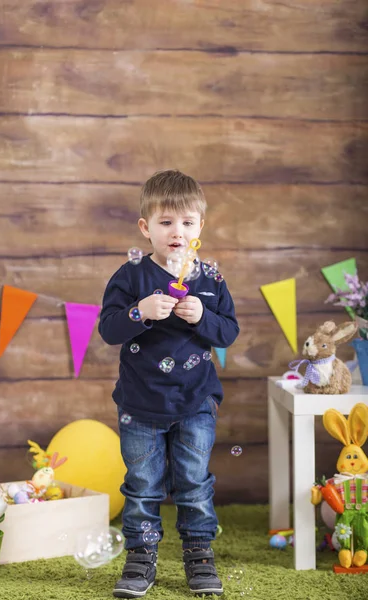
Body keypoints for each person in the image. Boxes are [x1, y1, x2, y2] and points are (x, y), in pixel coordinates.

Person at [99, 169, 239, 598]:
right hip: (140, 405)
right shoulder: (132, 276)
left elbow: (228, 332)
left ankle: (198, 555)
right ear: (146, 228)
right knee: (142, 485)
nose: (177, 232)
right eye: (165, 222)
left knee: (194, 483)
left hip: (196, 401)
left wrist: (204, 318)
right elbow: (108, 329)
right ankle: (141, 558)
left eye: (186, 222)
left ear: (200, 227)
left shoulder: (211, 280)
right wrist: (139, 312)